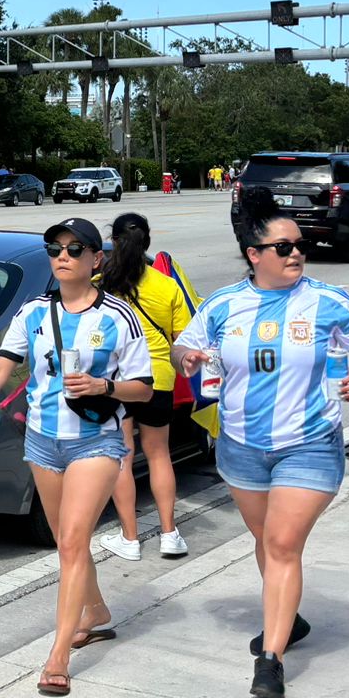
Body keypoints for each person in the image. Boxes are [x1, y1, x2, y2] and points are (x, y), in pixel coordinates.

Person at [175, 187, 349, 698]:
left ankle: (270, 660)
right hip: (242, 445)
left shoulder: (329, 301)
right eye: (283, 247)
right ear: (255, 255)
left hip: (310, 444)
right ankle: (287, 619)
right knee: (266, 540)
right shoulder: (223, 304)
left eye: (299, 245)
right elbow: (189, 341)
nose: (296, 253)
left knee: (281, 544)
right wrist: (189, 358)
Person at [0, 217, 153, 697]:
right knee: (67, 544)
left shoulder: (119, 317)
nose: (63, 256)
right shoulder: (33, 313)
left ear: (96, 260)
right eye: (54, 248)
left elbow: (143, 389)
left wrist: (104, 386)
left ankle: (58, 656)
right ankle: (96, 613)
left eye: (75, 249)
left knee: (75, 542)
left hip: (95, 442)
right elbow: (1, 372)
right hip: (42, 441)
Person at [96, 213, 196, 562]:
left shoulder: (101, 283)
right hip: (159, 381)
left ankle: (130, 539)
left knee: (122, 456)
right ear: (147, 242)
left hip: (117, 380)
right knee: (158, 455)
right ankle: (170, 534)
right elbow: (181, 339)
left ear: (114, 241)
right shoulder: (166, 286)